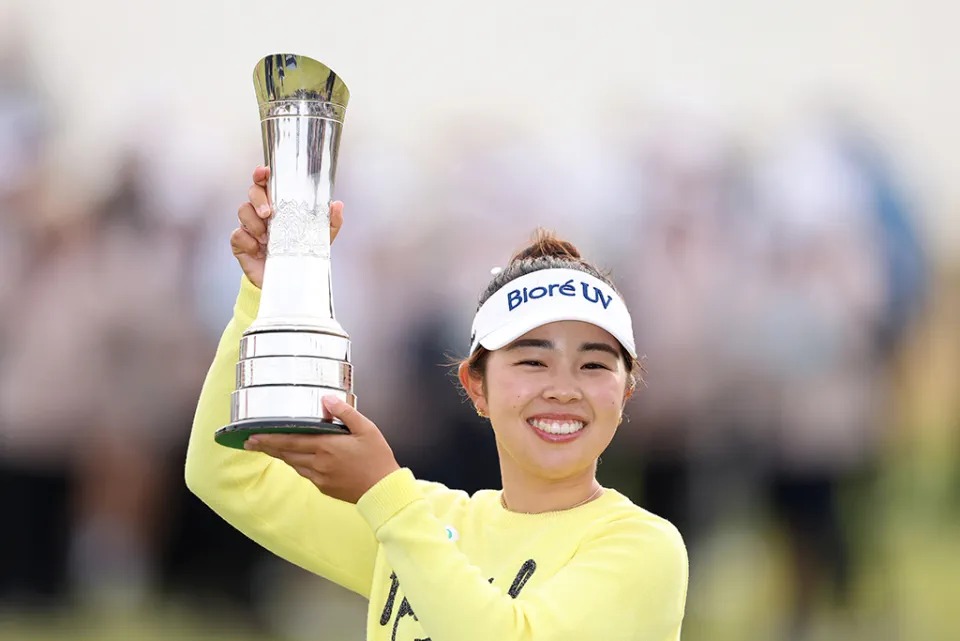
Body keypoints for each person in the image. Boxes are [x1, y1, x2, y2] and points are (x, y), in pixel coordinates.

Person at [185, 166, 689, 640]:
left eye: (594, 365)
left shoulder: (642, 546)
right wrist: (268, 294)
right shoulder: (423, 518)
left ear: (625, 391)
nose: (563, 388)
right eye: (533, 362)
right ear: (476, 387)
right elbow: (226, 472)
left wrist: (385, 497)